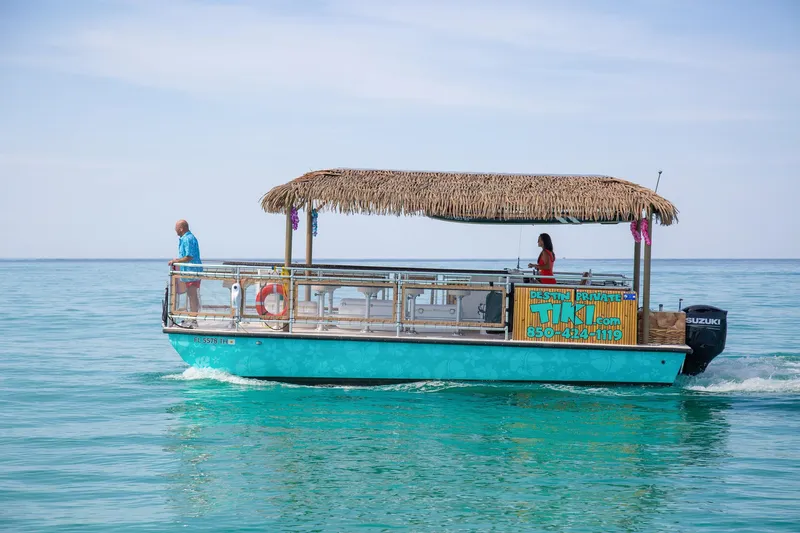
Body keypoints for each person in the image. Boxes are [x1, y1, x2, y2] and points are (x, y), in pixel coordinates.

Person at [168, 220, 202, 326]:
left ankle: (193, 318)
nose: (175, 230)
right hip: (188, 272)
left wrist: (175, 261)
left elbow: (189, 256)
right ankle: (192, 316)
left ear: (181, 228)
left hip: (192, 272)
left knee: (192, 295)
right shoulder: (186, 238)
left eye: (176, 228)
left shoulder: (188, 239)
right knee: (191, 294)